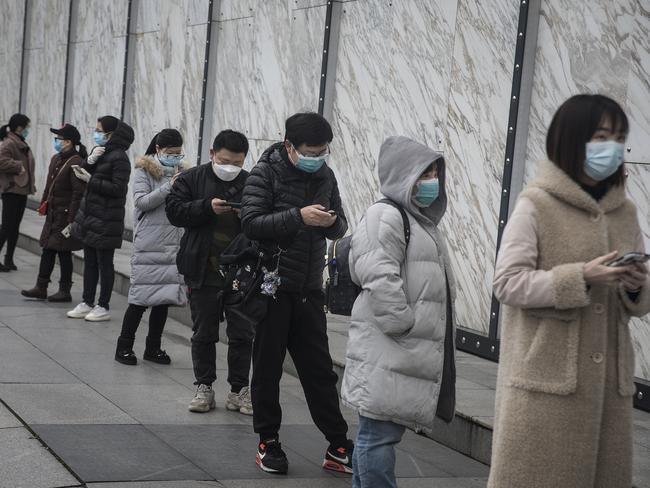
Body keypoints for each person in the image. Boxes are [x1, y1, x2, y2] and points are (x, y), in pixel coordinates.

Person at [488, 94, 650, 488]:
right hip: (547, 387)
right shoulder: (537, 205)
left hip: (608, 392)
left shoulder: (625, 211)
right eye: (600, 135)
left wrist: (635, 286)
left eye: (618, 137)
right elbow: (507, 282)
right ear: (573, 139)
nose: (611, 146)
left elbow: (638, 297)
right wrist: (581, 276)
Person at [240, 112, 354, 475]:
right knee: (268, 368)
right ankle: (267, 441)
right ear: (289, 146)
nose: (317, 157)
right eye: (310, 151)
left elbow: (340, 225)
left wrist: (332, 223)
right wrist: (297, 217)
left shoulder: (325, 175)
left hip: (308, 289)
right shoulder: (266, 172)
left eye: (323, 151)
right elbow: (251, 223)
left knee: (319, 370)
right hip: (272, 287)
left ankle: (337, 444)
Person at [342, 136, 456, 488]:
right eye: (424, 173)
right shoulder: (385, 216)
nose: (431, 180)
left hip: (400, 350)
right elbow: (377, 274)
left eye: (435, 172)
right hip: (391, 347)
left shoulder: (420, 223)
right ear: (402, 175)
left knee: (376, 435)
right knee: (378, 437)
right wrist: (403, 323)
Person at [166, 130, 254, 415]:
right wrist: (206, 207)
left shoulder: (252, 183)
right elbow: (174, 212)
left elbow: (266, 222)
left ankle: (239, 389)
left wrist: (248, 218)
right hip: (202, 268)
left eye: (237, 163)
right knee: (204, 332)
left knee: (242, 333)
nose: (231, 167)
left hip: (242, 272)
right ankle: (204, 386)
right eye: (226, 160)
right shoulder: (192, 179)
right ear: (213, 154)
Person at [114, 129, 188, 366]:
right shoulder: (144, 170)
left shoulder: (182, 172)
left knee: (163, 299)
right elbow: (142, 202)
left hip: (174, 243)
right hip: (150, 244)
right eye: (170, 153)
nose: (175, 157)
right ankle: (124, 347)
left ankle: (153, 348)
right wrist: (169, 187)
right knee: (139, 298)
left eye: (178, 153)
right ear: (158, 149)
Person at [67, 116, 134, 322]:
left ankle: (102, 305)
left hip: (106, 218)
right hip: (90, 215)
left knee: (105, 263)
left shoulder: (120, 158)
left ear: (111, 134)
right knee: (90, 262)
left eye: (99, 130)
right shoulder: (102, 153)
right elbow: (88, 173)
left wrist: (91, 180)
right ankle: (87, 301)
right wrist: (88, 162)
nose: (96, 133)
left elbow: (118, 189)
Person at [21, 124, 87, 301]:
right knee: (48, 249)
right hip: (53, 213)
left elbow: (77, 193)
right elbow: (49, 186)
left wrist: (71, 217)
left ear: (68, 142)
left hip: (65, 215)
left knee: (64, 252)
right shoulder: (56, 158)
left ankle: (64, 291)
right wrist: (44, 204)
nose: (56, 142)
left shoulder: (75, 162)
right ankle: (41, 287)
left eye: (58, 139)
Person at [0, 113, 35, 272]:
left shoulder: (19, 141)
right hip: (11, 189)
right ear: (20, 128)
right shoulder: (9, 142)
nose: (28, 130)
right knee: (7, 226)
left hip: (20, 190)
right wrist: (17, 165)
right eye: (27, 127)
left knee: (14, 227)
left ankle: (9, 259)